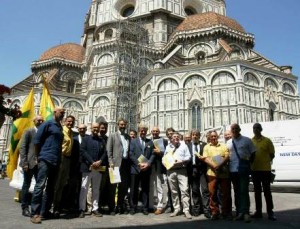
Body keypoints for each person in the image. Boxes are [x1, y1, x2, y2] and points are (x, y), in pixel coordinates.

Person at [30, 107, 65, 224]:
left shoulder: (60, 127)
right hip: (45, 159)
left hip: (56, 160)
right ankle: (35, 213)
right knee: (40, 185)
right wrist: (38, 156)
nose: (63, 114)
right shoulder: (47, 124)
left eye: (64, 113)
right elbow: (36, 141)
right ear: (55, 112)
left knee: (51, 187)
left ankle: (44, 211)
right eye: (61, 112)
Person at [227, 123, 256, 223]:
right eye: (233, 129)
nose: (234, 130)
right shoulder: (229, 142)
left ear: (239, 129)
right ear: (231, 131)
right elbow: (227, 156)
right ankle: (239, 212)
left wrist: (249, 164)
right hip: (233, 170)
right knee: (236, 191)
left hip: (243, 169)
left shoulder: (247, 140)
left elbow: (253, 153)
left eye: (236, 129)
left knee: (244, 190)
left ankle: (246, 212)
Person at [78, 122, 107, 218]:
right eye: (94, 127)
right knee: (84, 188)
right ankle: (82, 209)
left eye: (97, 128)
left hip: (98, 168)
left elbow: (104, 153)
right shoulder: (86, 139)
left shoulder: (101, 140)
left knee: (96, 189)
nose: (96, 129)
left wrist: (100, 161)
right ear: (91, 128)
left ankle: (95, 208)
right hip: (87, 167)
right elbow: (82, 151)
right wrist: (91, 162)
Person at [203, 130, 232, 220]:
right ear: (209, 137)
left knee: (225, 193)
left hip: (223, 172)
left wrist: (218, 165)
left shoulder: (223, 146)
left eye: (215, 136)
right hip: (212, 173)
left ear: (217, 137)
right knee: (212, 193)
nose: (213, 138)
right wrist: (214, 166)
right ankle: (215, 212)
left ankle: (225, 212)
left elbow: (227, 156)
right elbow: (205, 158)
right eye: (212, 136)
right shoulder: (206, 147)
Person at [19, 115, 44, 217]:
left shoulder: (43, 133)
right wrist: (24, 163)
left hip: (40, 164)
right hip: (29, 164)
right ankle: (25, 208)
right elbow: (23, 147)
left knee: (39, 186)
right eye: (38, 120)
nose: (41, 121)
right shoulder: (29, 131)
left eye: (42, 120)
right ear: (34, 121)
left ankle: (36, 208)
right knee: (26, 185)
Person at [163, 132, 192, 219]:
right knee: (174, 191)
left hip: (181, 170)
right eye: (174, 137)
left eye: (177, 137)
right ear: (171, 138)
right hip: (171, 171)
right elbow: (164, 158)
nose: (176, 138)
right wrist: (164, 162)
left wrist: (181, 161)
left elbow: (188, 157)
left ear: (179, 138)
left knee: (184, 190)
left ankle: (186, 210)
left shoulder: (184, 146)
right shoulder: (168, 147)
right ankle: (176, 209)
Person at [251, 123, 276, 221]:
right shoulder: (251, 141)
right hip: (255, 170)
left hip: (265, 170)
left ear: (261, 129)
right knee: (257, 192)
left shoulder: (267, 141)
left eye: (257, 128)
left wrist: (265, 161)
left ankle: (270, 212)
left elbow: (272, 154)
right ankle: (258, 211)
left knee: (267, 192)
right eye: (254, 128)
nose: (256, 129)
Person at [129, 124, 155, 215]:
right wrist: (138, 163)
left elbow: (153, 154)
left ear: (146, 131)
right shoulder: (133, 141)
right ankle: (133, 207)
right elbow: (131, 154)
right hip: (135, 169)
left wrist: (148, 164)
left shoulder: (150, 142)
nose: (143, 132)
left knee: (145, 189)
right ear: (139, 131)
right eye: (141, 130)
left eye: (144, 130)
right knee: (134, 189)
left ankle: (145, 207)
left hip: (146, 169)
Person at [53, 115, 75, 217]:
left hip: (67, 159)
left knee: (62, 184)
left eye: (72, 122)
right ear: (64, 121)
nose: (70, 123)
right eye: (69, 121)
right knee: (56, 184)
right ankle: (53, 206)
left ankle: (58, 206)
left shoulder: (71, 133)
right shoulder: (61, 131)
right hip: (60, 158)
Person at [107, 118, 131, 215]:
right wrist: (110, 162)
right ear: (118, 125)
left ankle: (120, 206)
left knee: (123, 187)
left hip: (125, 164)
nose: (122, 126)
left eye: (124, 125)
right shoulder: (113, 136)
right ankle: (112, 207)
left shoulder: (128, 137)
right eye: (121, 124)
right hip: (115, 164)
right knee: (113, 186)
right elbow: (109, 150)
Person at [186, 129, 211, 218]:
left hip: (202, 170)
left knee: (205, 190)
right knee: (195, 190)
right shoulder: (187, 145)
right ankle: (197, 208)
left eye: (196, 135)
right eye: (193, 135)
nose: (195, 136)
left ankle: (206, 209)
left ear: (199, 136)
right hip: (192, 170)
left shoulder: (204, 145)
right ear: (191, 136)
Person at [149, 126, 168, 215]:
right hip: (149, 167)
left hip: (159, 167)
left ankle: (160, 206)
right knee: (151, 187)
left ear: (159, 132)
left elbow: (167, 154)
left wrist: (160, 152)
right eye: (153, 131)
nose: (155, 133)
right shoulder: (148, 141)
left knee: (159, 187)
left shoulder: (164, 141)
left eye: (156, 131)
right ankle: (151, 205)